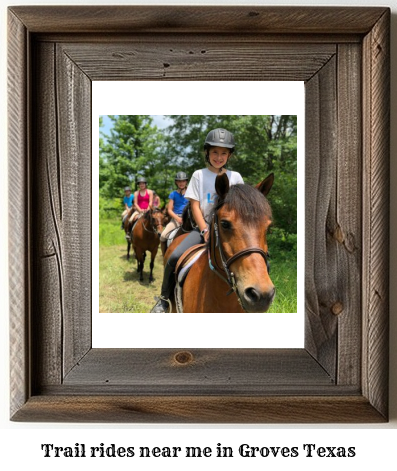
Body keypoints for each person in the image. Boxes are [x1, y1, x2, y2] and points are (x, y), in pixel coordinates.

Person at [151, 128, 244, 313]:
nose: (219, 157)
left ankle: (256, 299)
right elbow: (194, 206)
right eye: (215, 152)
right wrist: (205, 230)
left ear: (229, 155)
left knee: (257, 259)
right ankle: (163, 300)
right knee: (174, 257)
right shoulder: (198, 175)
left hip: (229, 231)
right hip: (203, 229)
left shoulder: (236, 177)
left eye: (223, 153)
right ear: (207, 152)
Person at [159, 172, 189, 255]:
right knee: (163, 236)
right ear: (176, 182)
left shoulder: (191, 193)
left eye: (183, 181)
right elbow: (169, 210)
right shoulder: (173, 194)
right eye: (179, 181)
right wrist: (178, 218)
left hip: (189, 218)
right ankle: (164, 256)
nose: (181, 183)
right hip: (176, 218)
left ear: (186, 182)